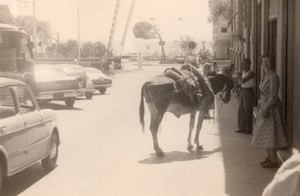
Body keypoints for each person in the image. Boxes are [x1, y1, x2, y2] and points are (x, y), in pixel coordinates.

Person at [251, 54, 288, 168]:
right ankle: (269, 158)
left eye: (268, 62)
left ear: (272, 62)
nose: (266, 64)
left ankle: (274, 161)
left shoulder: (273, 76)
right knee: (264, 134)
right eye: (264, 62)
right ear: (261, 63)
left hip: (271, 110)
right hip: (264, 107)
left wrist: (266, 108)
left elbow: (273, 95)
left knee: (270, 135)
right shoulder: (266, 75)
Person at [236, 58, 255, 134]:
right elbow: (242, 82)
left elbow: (243, 81)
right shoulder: (244, 72)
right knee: (241, 110)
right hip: (243, 91)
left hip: (248, 92)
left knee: (247, 110)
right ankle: (242, 127)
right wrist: (238, 85)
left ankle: (248, 129)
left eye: (243, 63)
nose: (241, 65)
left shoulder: (251, 73)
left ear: (247, 64)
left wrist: (238, 75)